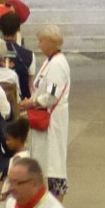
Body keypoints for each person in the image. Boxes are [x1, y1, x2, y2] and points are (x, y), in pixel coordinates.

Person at [28, 26, 71, 197]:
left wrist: (34, 102)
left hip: (52, 117)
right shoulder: (50, 61)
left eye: (41, 41)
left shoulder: (57, 65)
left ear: (51, 43)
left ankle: (56, 198)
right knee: (46, 160)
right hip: (46, 114)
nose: (39, 45)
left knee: (54, 162)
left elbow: (52, 93)